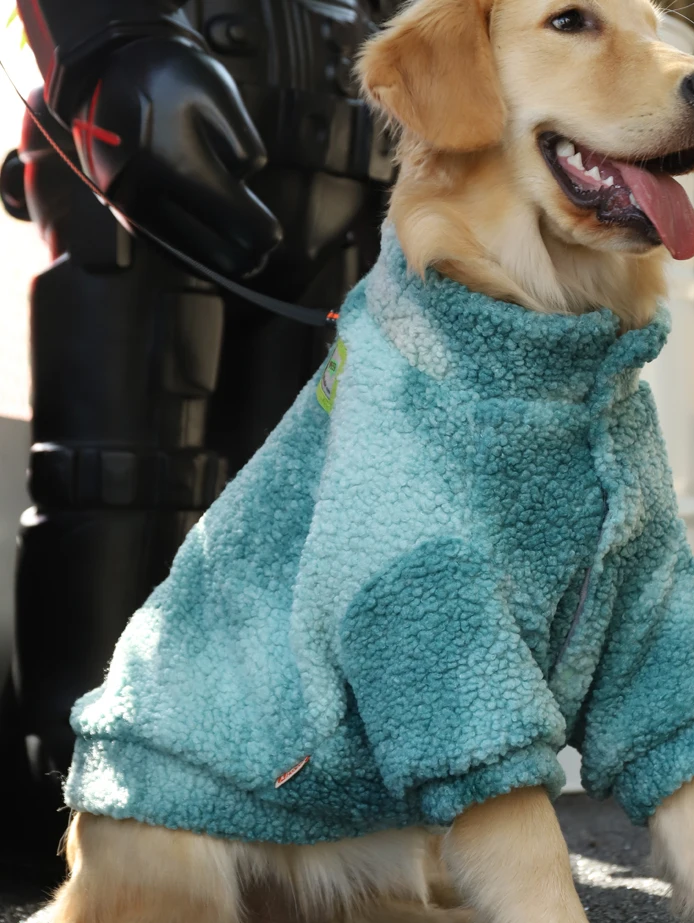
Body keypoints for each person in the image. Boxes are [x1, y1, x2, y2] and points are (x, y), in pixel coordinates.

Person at [0, 0, 397, 846]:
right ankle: (86, 801)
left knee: (307, 499)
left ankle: (278, 802)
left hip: (356, 148)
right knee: (124, 478)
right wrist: (105, 37)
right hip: (141, 120)